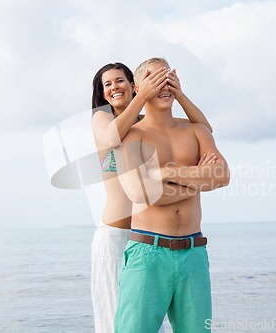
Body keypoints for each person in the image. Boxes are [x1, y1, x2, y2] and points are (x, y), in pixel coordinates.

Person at [90, 62, 214, 333]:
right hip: (115, 234)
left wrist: (177, 93)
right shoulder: (106, 120)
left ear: (131, 86)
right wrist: (199, 183)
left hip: (147, 235)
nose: (114, 87)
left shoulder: (143, 124)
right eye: (107, 84)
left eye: (120, 80)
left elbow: (204, 128)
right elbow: (112, 139)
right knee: (114, 322)